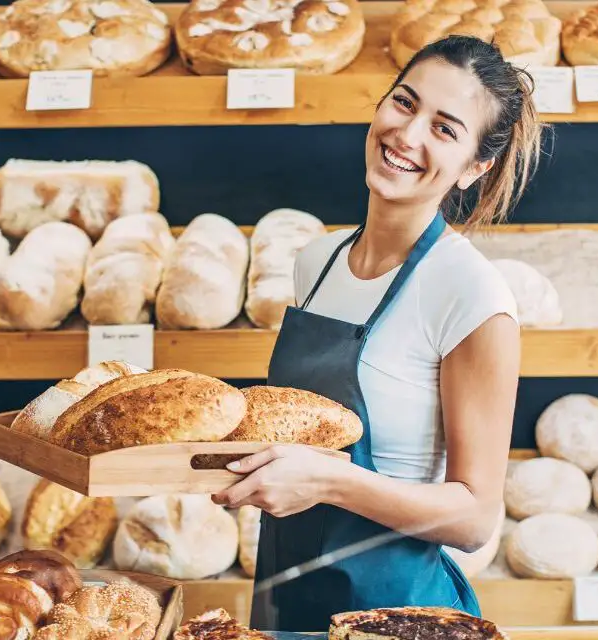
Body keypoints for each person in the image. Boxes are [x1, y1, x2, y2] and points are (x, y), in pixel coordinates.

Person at [211, 34, 544, 632]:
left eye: (445, 129)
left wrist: (327, 479)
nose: (408, 135)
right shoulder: (315, 263)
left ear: (475, 166)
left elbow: (474, 517)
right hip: (289, 596)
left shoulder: (472, 295)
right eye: (404, 103)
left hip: (400, 613)